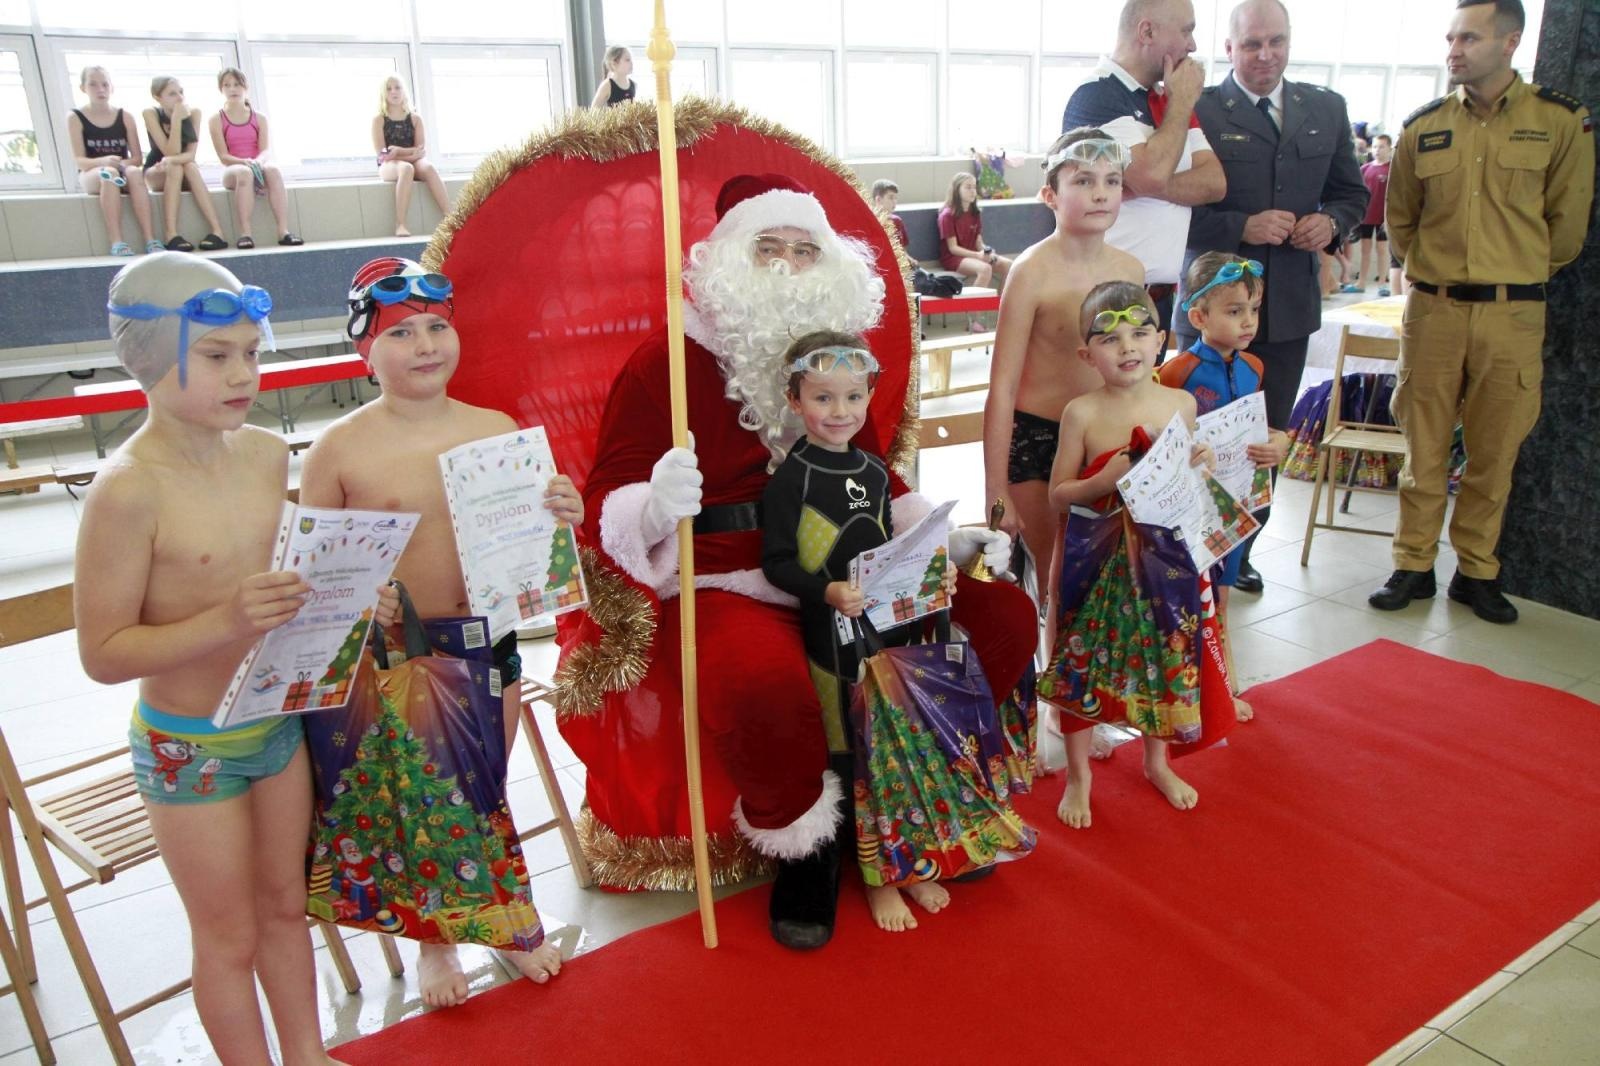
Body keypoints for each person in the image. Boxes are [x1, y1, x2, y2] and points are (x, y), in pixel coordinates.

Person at [562, 173, 1032, 951]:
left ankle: (914, 796)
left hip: (857, 561)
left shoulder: (837, 362)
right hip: (723, 573)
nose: (784, 266)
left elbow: (882, 476)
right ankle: (809, 846)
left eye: (803, 250)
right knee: (761, 682)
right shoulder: (665, 364)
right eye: (766, 248)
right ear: (726, 262)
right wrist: (654, 501)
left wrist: (941, 540)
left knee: (1001, 616)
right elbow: (607, 493)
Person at [76, 253, 366, 1065]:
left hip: (274, 723)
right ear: (149, 356)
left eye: (252, 352)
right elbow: (101, 654)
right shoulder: (129, 490)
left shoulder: (268, 454)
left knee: (284, 909)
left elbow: (278, 577)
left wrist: (338, 588)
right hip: (189, 746)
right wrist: (224, 619)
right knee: (227, 932)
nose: (244, 374)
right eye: (216, 356)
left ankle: (305, 1056)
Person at [299, 257, 574, 1005]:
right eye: (401, 333)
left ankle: (503, 922)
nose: (424, 345)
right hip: (397, 655)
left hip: (489, 640)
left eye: (437, 327)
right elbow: (310, 577)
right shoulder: (339, 449)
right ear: (364, 350)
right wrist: (362, 604)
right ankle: (435, 943)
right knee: (421, 807)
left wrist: (560, 514)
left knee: (482, 791)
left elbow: (534, 543)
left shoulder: (496, 431)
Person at [761, 331, 1035, 934]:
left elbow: (885, 546)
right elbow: (777, 563)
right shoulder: (791, 481)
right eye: (824, 398)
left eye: (853, 397)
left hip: (883, 630)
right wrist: (827, 591)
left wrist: (925, 569)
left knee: (896, 748)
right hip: (831, 640)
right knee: (854, 755)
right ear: (794, 400)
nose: (841, 412)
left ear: (869, 396)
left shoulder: (876, 470)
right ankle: (876, 879)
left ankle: (908, 863)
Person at [1368, 0, 1594, 624]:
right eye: (1450, 37)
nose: (1454, 49)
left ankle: (1476, 573)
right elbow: (1401, 223)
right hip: (1435, 309)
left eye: (1469, 36)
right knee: (1424, 445)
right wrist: (1439, 272)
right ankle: (1412, 565)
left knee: (1496, 450)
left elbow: (1567, 229)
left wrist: (1510, 269)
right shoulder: (1424, 126)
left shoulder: (1559, 122)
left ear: (1511, 41)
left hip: (1512, 313)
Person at [1177, 0, 1368, 594]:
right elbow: (1173, 212)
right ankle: (1185, 550)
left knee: (1268, 435)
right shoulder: (1200, 109)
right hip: (1210, 308)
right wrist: (1242, 225)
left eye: (1276, 42)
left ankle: (1244, 547)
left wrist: (1331, 224)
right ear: (1229, 48)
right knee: (1197, 435)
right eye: (1252, 43)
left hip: (1284, 311)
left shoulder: (1326, 108)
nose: (1266, 55)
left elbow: (1351, 195)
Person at [1038, 280, 1233, 828]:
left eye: (1139, 334)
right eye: (1110, 338)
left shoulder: (1180, 402)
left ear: (1161, 340)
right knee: (1080, 662)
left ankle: (1157, 760)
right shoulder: (1081, 413)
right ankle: (1080, 776)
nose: (1127, 347)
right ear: (1087, 354)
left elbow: (1187, 477)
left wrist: (1203, 459)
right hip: (1094, 555)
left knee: (1163, 656)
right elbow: (1057, 495)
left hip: (1163, 556)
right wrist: (1101, 478)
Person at [982, 128, 1144, 604]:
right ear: (1050, 194)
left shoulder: (1131, 270)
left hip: (1107, 436)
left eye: (1112, 181)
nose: (1100, 193)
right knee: (1056, 576)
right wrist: (996, 491)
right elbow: (1002, 388)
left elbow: (1140, 369)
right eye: (1085, 180)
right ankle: (1051, 672)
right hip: (1038, 442)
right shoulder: (1031, 272)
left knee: (1109, 575)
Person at [1159, 252, 1289, 720]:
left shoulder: (1254, 367)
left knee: (1222, 600)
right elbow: (1158, 442)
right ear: (1198, 317)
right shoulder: (1177, 374)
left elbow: (1262, 429)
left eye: (1253, 310)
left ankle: (1222, 686)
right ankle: (1182, 695)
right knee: (1189, 602)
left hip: (1235, 506)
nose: (1248, 321)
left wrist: (1282, 443)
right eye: (1234, 311)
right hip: (1190, 510)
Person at [1060, 0, 1227, 336]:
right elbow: (1152, 173)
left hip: (1158, 297)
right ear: (1147, 31)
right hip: (1105, 298)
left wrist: (1142, 184)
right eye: (1186, 30)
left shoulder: (1169, 100)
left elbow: (1214, 183)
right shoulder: (1097, 95)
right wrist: (1181, 103)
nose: (1192, 46)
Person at [67, 66, 161, 256]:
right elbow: (80, 162)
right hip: (93, 173)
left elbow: (136, 158)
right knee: (108, 174)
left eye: (104, 84)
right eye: (93, 84)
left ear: (112, 87)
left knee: (134, 172)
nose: (100, 89)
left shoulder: (125, 117)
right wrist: (104, 161)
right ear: (83, 88)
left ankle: (150, 239)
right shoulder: (76, 117)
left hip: (121, 171)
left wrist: (121, 164)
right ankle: (117, 241)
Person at [208, 67, 302, 249]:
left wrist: (258, 161)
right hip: (234, 170)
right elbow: (223, 157)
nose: (232, 89)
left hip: (256, 165)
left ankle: (283, 231)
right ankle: (245, 233)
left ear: (245, 87)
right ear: (221, 89)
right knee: (244, 173)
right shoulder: (216, 119)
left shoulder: (259, 117)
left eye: (236, 84)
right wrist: (244, 162)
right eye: (226, 85)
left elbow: (265, 150)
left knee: (273, 170)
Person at [143, 76, 228, 252]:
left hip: (181, 166)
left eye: (181, 92)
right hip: (157, 170)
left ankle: (217, 231)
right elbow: (169, 151)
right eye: (172, 94)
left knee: (188, 166)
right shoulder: (150, 113)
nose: (180, 98)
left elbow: (190, 154)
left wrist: (172, 160)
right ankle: (171, 234)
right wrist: (175, 120)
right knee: (176, 167)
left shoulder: (194, 112)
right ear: (158, 98)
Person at [372, 76, 451, 237]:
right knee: (406, 169)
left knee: (428, 167)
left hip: (410, 161)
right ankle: (400, 223)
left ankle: (450, 217)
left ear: (404, 91)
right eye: (389, 88)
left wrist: (399, 151)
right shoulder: (379, 120)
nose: (394, 91)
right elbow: (382, 155)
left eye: (397, 87)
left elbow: (421, 151)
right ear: (383, 93)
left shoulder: (415, 119)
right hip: (389, 165)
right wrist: (407, 154)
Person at [937, 172, 1011, 317]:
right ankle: (975, 316)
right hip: (954, 258)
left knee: (1009, 265)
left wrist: (986, 251)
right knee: (985, 269)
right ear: (957, 189)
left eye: (974, 187)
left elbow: (978, 241)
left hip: (973, 254)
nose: (973, 191)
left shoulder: (975, 213)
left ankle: (1001, 310)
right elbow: (953, 248)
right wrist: (978, 256)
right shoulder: (947, 215)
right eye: (968, 187)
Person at [1355, 134, 1393, 294]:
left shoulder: (1392, 169)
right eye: (1375, 146)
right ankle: (1361, 282)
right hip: (1366, 217)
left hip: (1382, 217)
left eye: (1382, 147)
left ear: (1389, 149)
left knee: (1382, 249)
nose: (1377, 150)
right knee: (1365, 249)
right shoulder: (1365, 169)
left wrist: (1388, 218)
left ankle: (1382, 283)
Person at [869, 178, 909, 251]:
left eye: (895, 198)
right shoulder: (870, 221)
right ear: (878, 200)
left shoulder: (897, 221)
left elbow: (903, 249)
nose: (894, 201)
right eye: (891, 198)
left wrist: (908, 259)